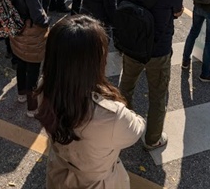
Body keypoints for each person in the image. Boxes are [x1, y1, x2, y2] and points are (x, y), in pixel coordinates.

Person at [36, 15, 146, 188]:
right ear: (93, 62)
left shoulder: (45, 88)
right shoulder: (112, 115)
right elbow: (137, 129)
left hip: (58, 173)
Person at [117, 0, 184, 151]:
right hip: (158, 48)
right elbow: (176, 12)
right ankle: (152, 138)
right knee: (157, 95)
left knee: (125, 87)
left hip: (132, 43)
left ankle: (123, 128)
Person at [0, 0, 50, 117]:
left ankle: (21, 94)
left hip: (16, 28)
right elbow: (38, 15)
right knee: (33, 71)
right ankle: (32, 106)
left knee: (20, 63)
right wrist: (47, 21)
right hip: (32, 32)